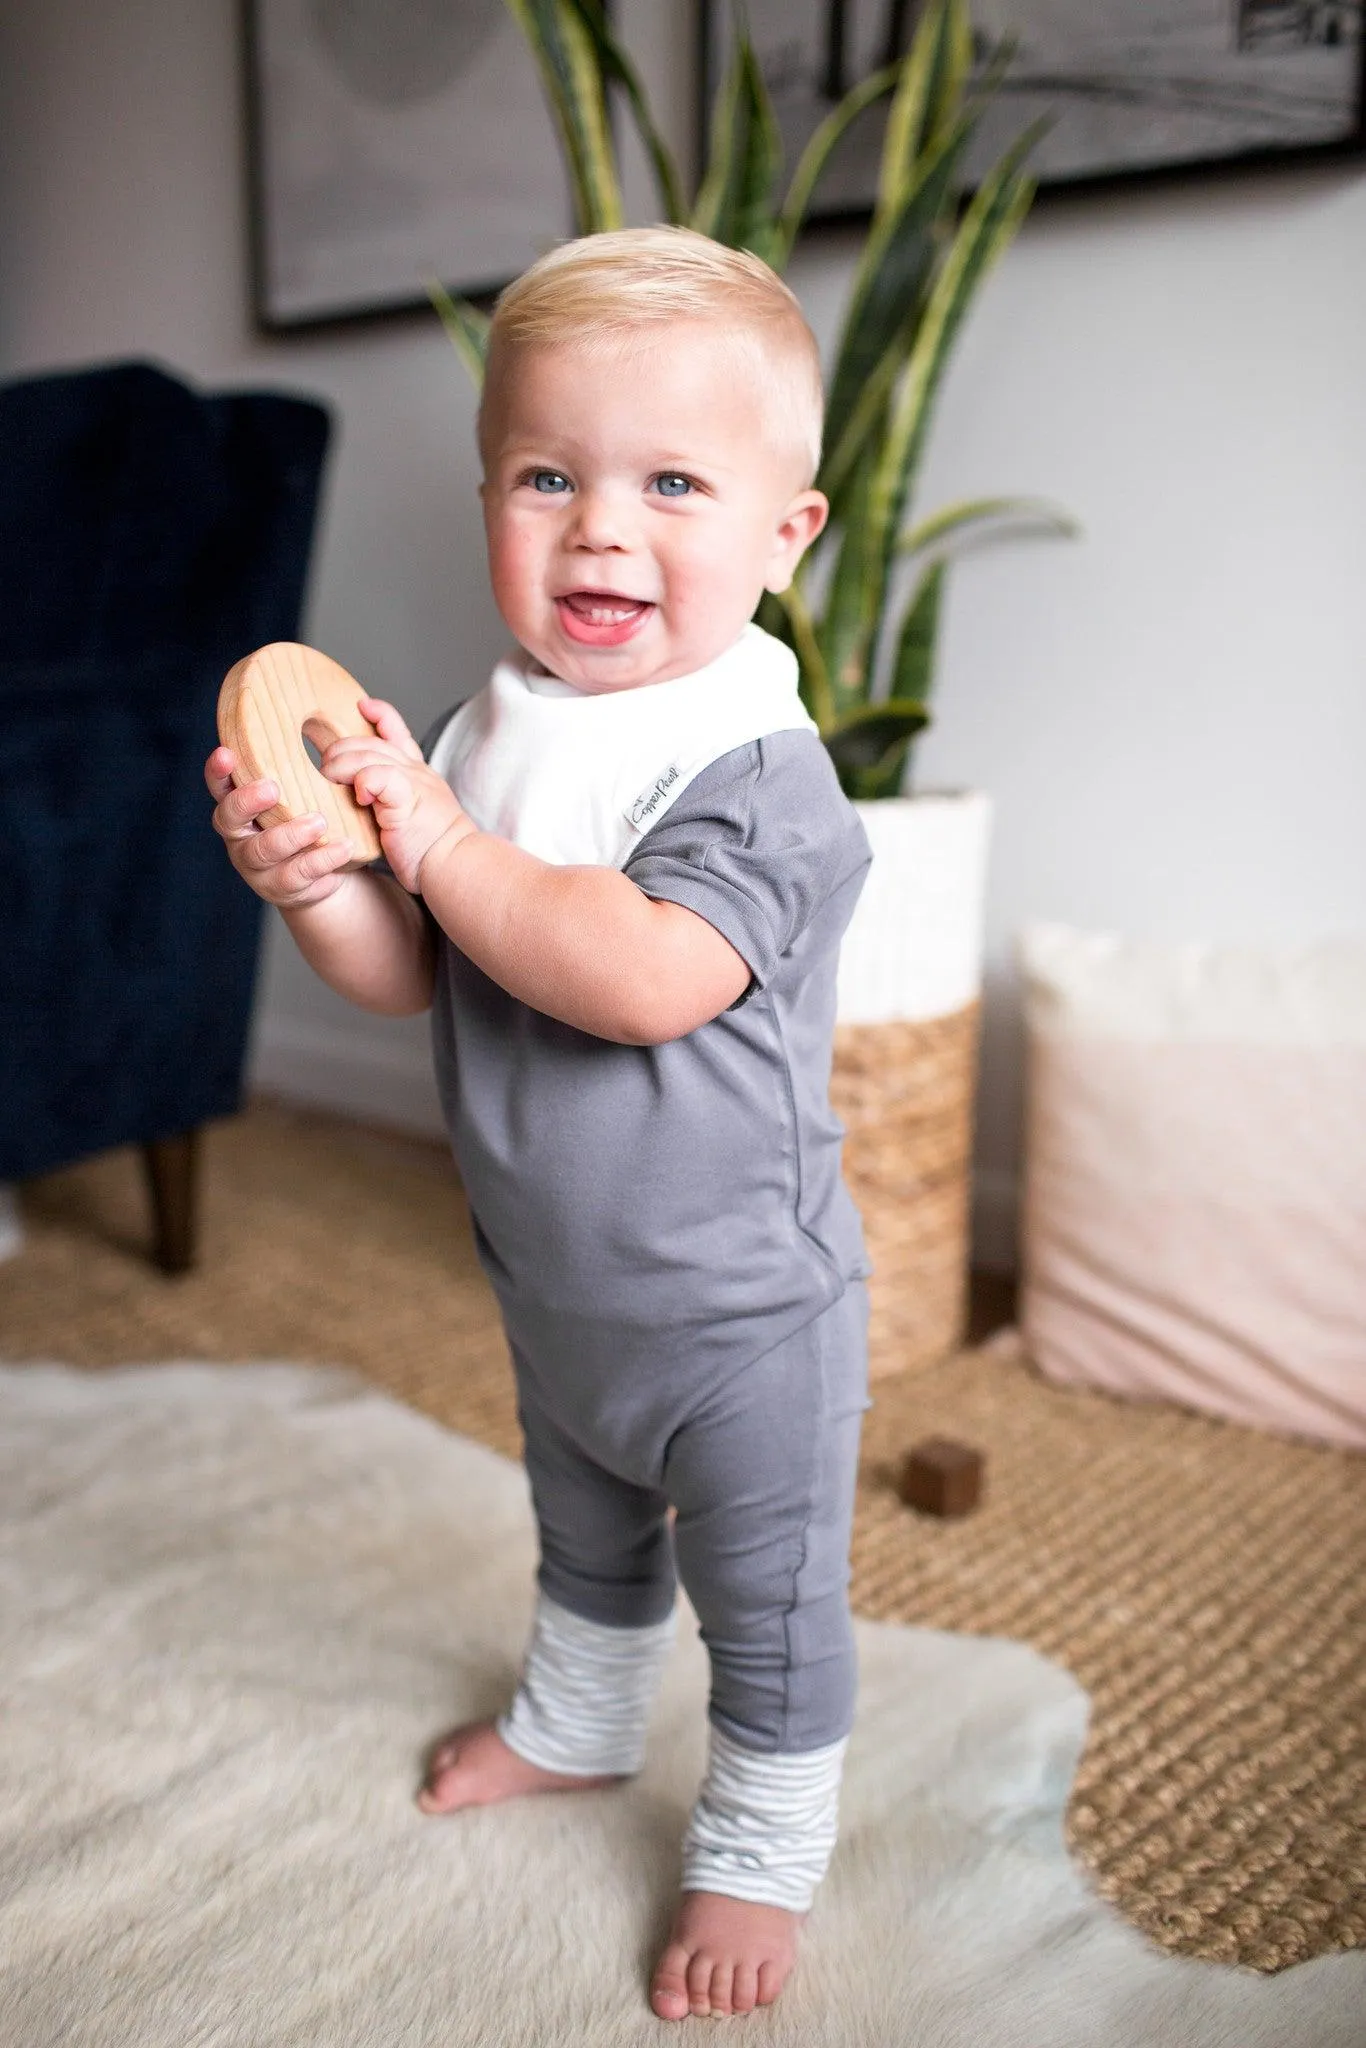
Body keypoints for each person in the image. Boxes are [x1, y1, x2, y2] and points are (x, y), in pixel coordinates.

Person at [206, 225, 872, 2023]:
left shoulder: (757, 769)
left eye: (671, 480)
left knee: (766, 1603)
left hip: (742, 1313)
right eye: (546, 475)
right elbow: (414, 970)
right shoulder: (482, 738)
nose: (599, 526)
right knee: (582, 1548)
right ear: (490, 492)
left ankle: (754, 1853)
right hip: (559, 1284)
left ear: (781, 533)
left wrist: (425, 836)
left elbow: (639, 974)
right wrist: (323, 880)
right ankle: (576, 1727)